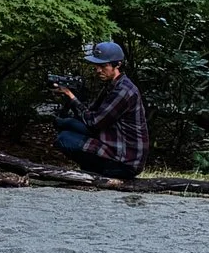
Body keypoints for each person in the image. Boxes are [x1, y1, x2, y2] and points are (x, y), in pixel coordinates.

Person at [52, 42, 148, 182]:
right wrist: (70, 95)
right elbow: (90, 112)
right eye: (96, 66)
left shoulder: (123, 90)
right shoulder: (113, 85)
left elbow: (94, 122)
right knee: (66, 124)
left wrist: (71, 96)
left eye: (103, 66)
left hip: (124, 160)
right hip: (113, 142)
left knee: (65, 139)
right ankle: (92, 170)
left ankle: (94, 173)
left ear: (117, 65)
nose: (98, 70)